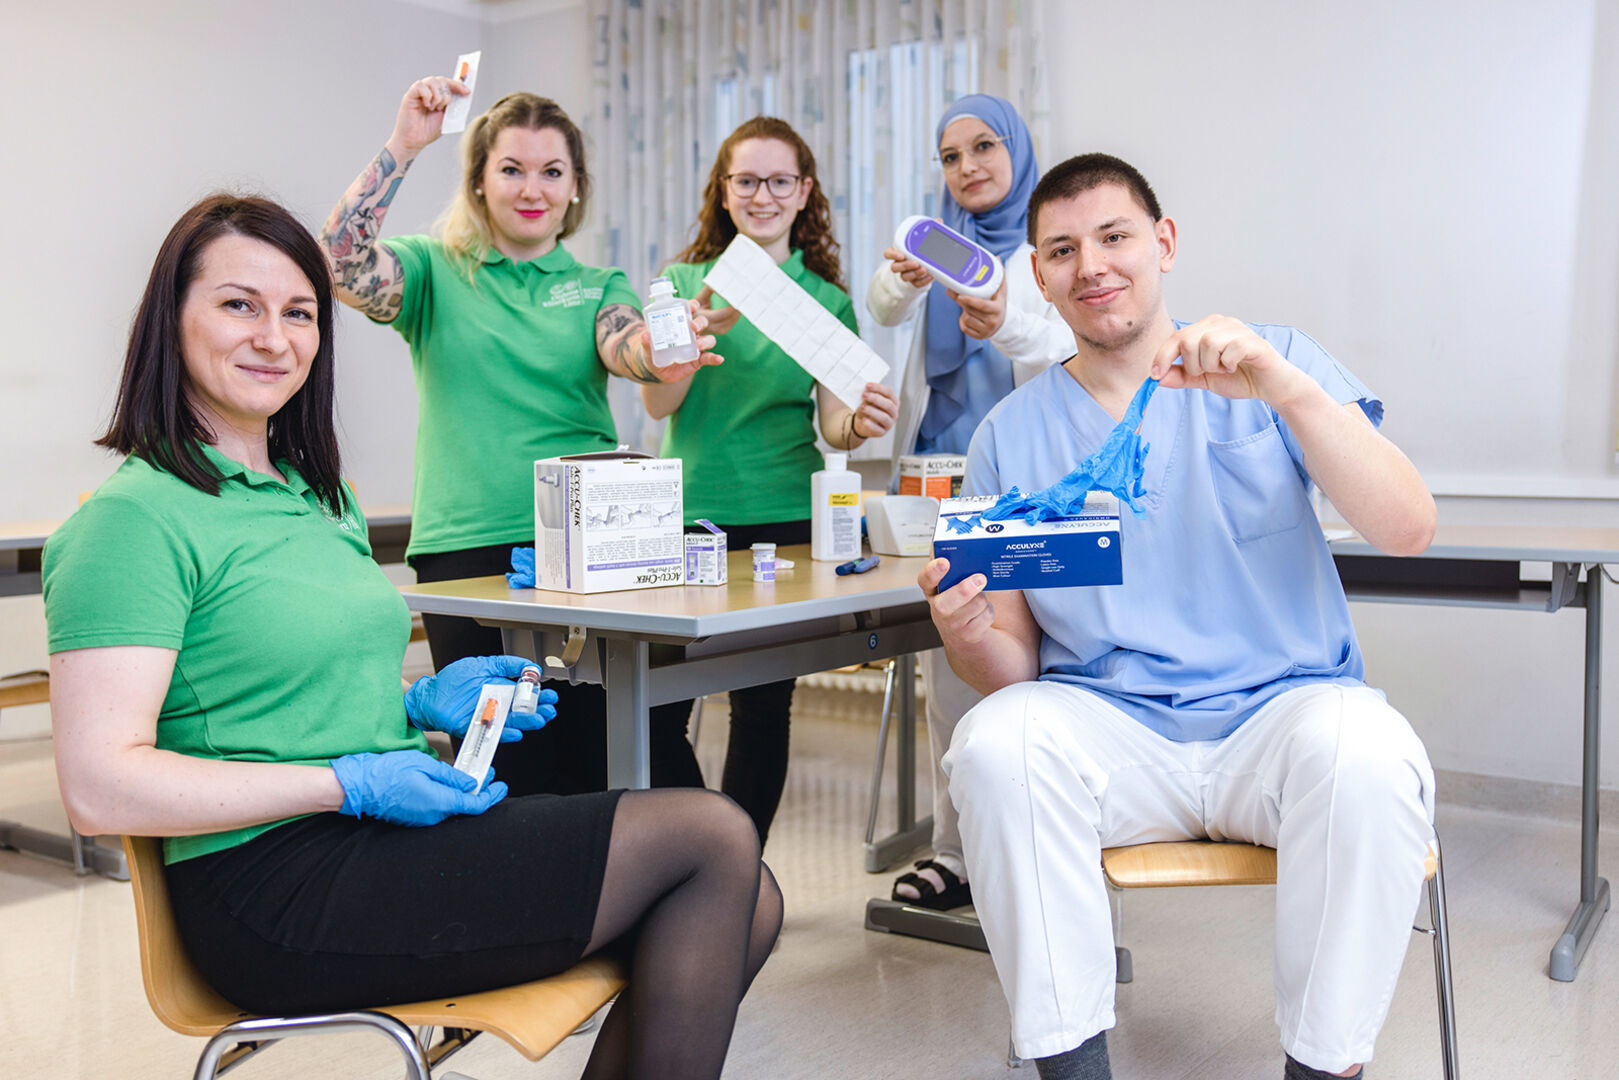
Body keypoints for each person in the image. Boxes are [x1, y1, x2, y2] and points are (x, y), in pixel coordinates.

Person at [44, 194, 780, 1080]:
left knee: (748, 893)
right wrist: (347, 783)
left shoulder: (315, 496)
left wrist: (417, 705)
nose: (273, 337)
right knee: (711, 840)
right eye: (239, 304)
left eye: (299, 313)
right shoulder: (133, 520)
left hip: (369, 843)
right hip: (270, 885)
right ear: (171, 318)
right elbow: (100, 787)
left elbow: (273, 692)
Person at [921, 154, 1438, 1080]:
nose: (1091, 266)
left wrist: (1285, 390)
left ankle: (1321, 1066)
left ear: (1162, 243)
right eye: (1062, 250)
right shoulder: (1008, 434)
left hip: (1282, 718)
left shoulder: (1269, 363)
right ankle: (1073, 1066)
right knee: (997, 742)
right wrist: (967, 637)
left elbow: (1407, 527)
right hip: (1112, 730)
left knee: (1369, 752)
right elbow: (1014, 670)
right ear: (1038, 274)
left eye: (1113, 236)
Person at [319, 77, 716, 796]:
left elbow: (628, 345)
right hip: (467, 549)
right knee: (512, 764)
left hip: (591, 551)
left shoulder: (598, 284)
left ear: (575, 186)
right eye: (511, 169)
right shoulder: (434, 272)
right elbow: (337, 263)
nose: (532, 188)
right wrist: (405, 144)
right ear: (479, 180)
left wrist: (665, 352)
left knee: (631, 748)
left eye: (551, 171)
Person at [642, 116, 898, 845]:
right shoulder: (681, 288)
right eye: (747, 181)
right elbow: (658, 405)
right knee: (655, 708)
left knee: (761, 709)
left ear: (804, 191)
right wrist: (687, 341)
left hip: (787, 518)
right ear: (723, 192)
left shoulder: (826, 300)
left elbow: (835, 425)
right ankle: (707, 849)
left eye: (779, 181)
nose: (763, 196)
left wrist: (861, 423)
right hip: (689, 518)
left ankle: (738, 869)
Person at [864, 94, 1072, 909]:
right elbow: (881, 311)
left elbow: (1068, 347)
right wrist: (900, 278)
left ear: (1017, 150)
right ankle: (955, 854)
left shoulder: (1046, 247)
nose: (967, 167)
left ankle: (1041, 845)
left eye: (984, 146)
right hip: (937, 483)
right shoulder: (936, 246)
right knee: (953, 671)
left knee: (1043, 672)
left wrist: (1005, 322)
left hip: (1025, 488)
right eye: (950, 156)